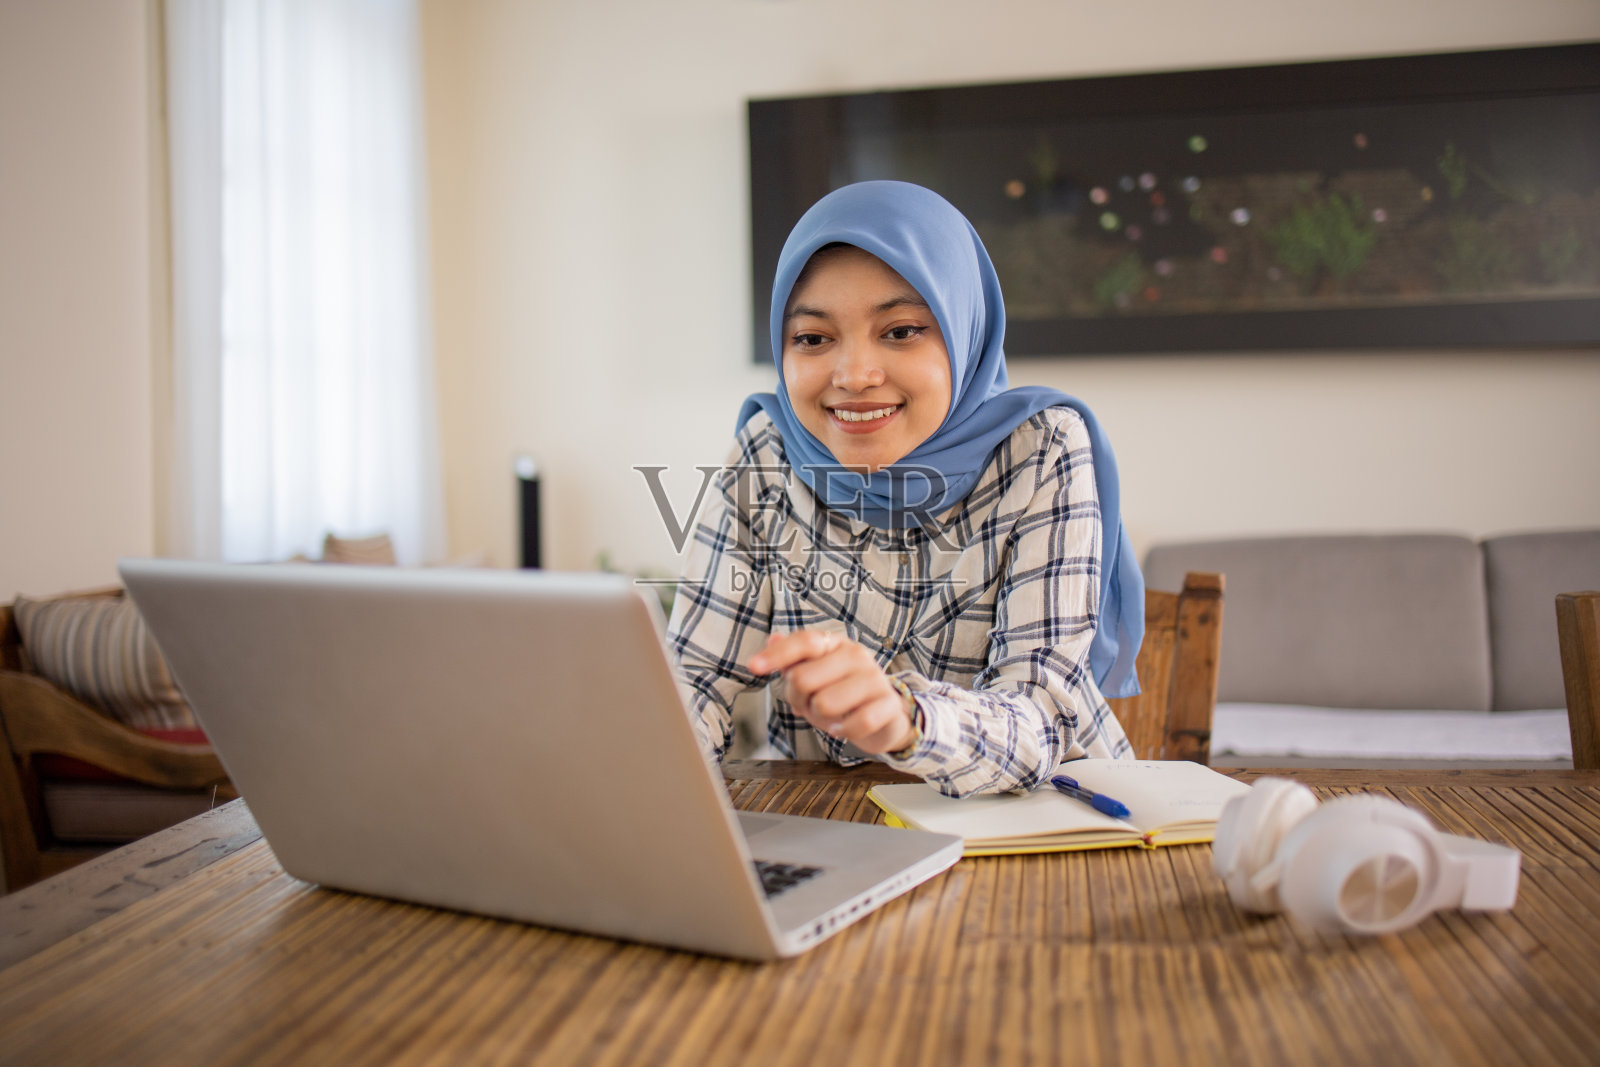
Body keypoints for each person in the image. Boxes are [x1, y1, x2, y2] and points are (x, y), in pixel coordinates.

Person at [665, 180, 1143, 797]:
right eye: (812, 338)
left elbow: (1039, 714)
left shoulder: (1042, 448)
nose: (854, 375)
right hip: (831, 823)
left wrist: (907, 721)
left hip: (1043, 823)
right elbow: (696, 678)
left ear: (963, 328)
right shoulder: (767, 450)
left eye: (901, 331)